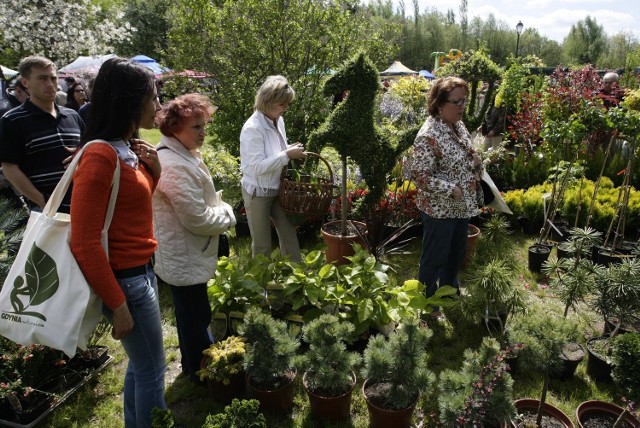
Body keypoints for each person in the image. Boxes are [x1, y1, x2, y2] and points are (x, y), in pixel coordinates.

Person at [69, 57, 165, 428]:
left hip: (140, 274)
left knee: (142, 368)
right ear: (131, 100)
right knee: (154, 372)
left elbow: (130, 212)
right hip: (127, 282)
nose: (157, 106)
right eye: (153, 97)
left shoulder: (126, 147)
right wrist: (117, 304)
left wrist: (154, 172)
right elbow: (85, 242)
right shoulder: (99, 155)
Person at [153, 93, 236, 381]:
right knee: (194, 315)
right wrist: (227, 214)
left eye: (204, 126)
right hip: (183, 252)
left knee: (192, 311)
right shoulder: (174, 165)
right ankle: (200, 371)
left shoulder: (180, 154)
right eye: (195, 127)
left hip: (184, 250)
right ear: (175, 128)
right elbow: (197, 218)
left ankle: (194, 363)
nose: (202, 133)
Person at [411, 76, 483, 320]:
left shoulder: (457, 125)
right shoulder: (428, 135)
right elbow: (420, 176)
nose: (462, 106)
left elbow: (462, 150)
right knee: (434, 258)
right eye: (457, 101)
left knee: (455, 252)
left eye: (465, 100)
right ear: (439, 103)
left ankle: (449, 292)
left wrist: (474, 157)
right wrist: (449, 188)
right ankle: (428, 305)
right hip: (439, 209)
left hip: (461, 207)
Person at [0, 56, 84, 213]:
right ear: (25, 82)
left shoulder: (73, 115)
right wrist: (42, 201)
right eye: (42, 78)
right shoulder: (13, 120)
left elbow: (87, 151)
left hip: (83, 204)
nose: (50, 84)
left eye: (53, 78)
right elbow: (9, 168)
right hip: (45, 212)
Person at [239, 75, 305, 262]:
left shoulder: (278, 120)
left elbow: (274, 152)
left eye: (287, 104)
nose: (286, 108)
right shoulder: (253, 128)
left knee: (288, 232)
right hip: (257, 192)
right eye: (282, 104)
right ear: (268, 101)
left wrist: (289, 149)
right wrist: (287, 155)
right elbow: (257, 167)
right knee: (262, 244)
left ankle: (297, 279)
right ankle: (262, 286)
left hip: (277, 188)